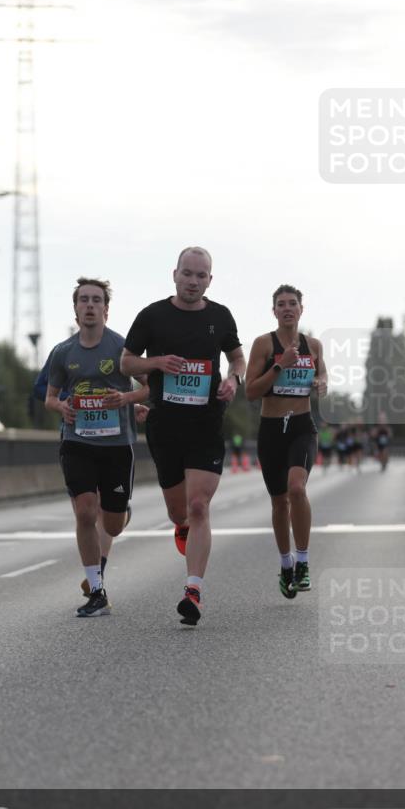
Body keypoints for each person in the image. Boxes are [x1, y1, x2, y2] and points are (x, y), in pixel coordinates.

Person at [120, 246, 245, 626]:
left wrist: (233, 379)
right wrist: (157, 362)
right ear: (174, 274)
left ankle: (193, 591)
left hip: (205, 423)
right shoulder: (152, 316)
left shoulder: (220, 316)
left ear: (210, 279)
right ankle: (181, 527)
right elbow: (126, 361)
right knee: (179, 511)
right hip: (165, 425)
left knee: (199, 506)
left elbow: (237, 357)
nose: (193, 281)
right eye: (187, 274)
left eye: (201, 276)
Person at [45, 277, 149, 617]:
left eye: (96, 300)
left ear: (106, 308)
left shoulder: (122, 349)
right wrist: (62, 407)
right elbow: (50, 398)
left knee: (113, 524)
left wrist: (127, 398)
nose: (90, 305)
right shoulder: (63, 352)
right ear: (75, 309)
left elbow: (152, 386)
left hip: (117, 445)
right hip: (77, 442)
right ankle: (97, 591)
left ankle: (121, 511)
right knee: (85, 511)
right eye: (83, 300)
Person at [245, 284, 327, 599]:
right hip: (271, 429)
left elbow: (322, 377)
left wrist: (321, 383)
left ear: (301, 310)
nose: (288, 308)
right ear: (275, 311)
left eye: (293, 303)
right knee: (279, 501)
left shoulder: (314, 345)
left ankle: (303, 560)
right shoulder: (264, 344)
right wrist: (281, 365)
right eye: (282, 304)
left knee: (297, 489)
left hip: (302, 426)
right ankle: (285, 563)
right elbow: (251, 391)